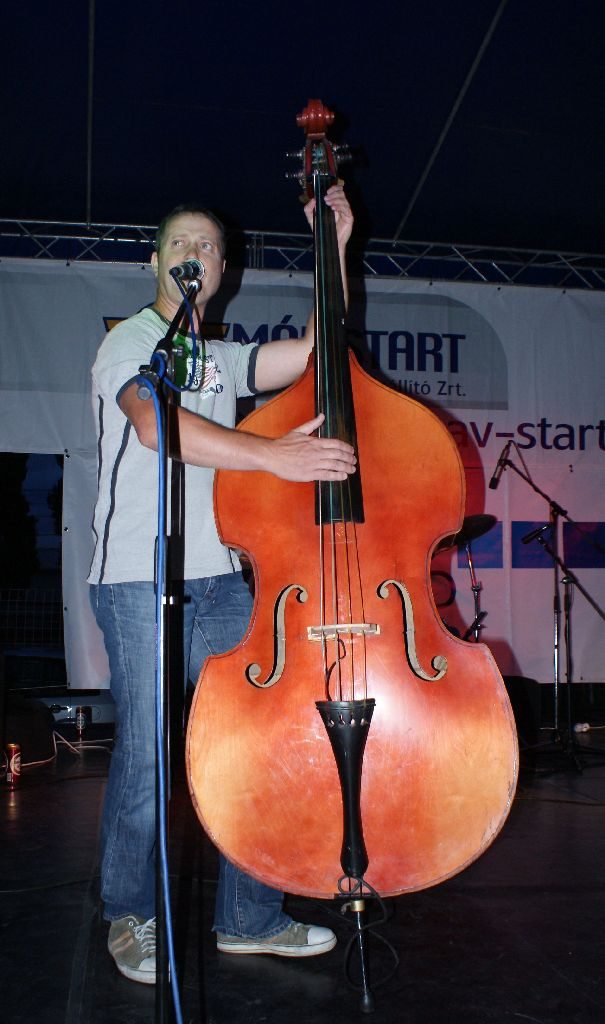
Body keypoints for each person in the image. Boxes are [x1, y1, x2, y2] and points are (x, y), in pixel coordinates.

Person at [88, 185, 355, 984]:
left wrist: (331, 245)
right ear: (155, 260)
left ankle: (247, 918)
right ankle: (127, 913)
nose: (193, 255)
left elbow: (314, 353)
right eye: (179, 244)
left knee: (253, 743)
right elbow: (151, 423)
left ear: (225, 270)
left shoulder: (218, 355)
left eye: (207, 247)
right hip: (139, 580)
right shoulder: (128, 340)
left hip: (218, 581)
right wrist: (272, 457)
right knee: (148, 757)